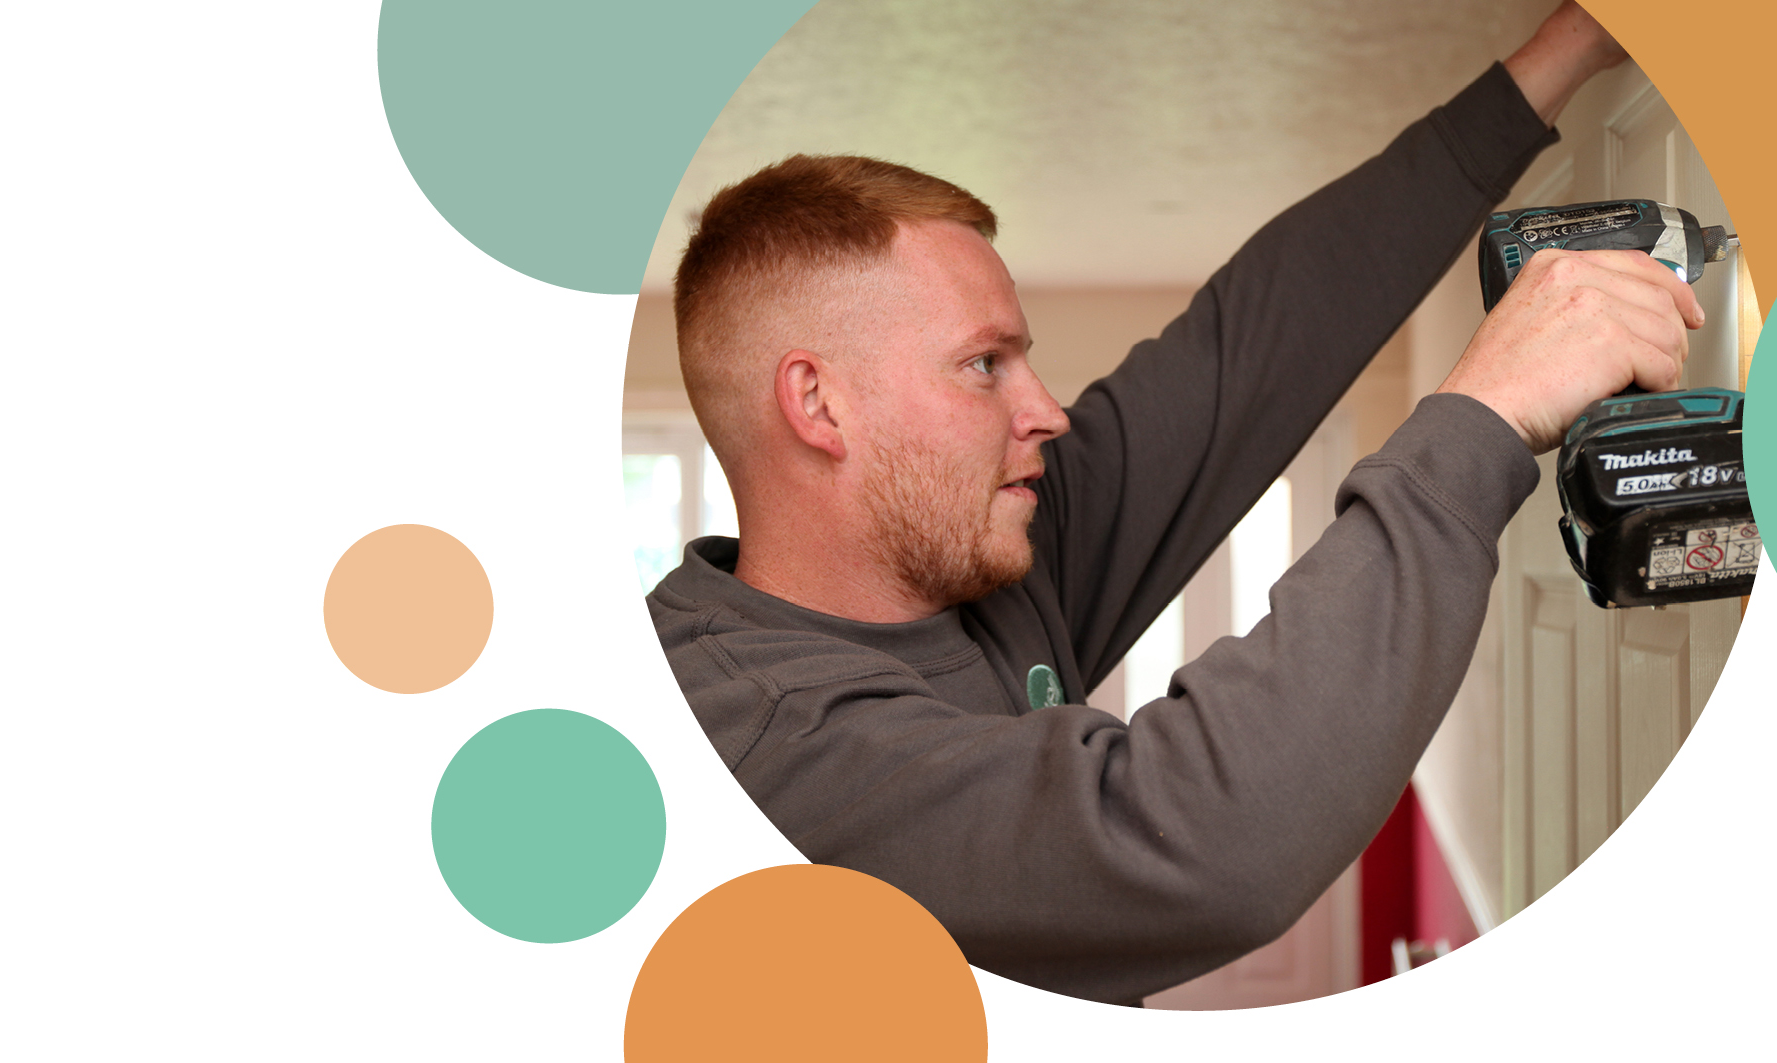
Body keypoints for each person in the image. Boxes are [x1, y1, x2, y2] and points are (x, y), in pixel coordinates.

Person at [646, 2, 1698, 1006]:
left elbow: (1252, 343)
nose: (1046, 410)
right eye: (982, 365)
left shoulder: (966, 549)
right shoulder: (752, 750)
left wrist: (1567, 46)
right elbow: (1198, 835)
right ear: (818, 403)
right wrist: (1484, 415)